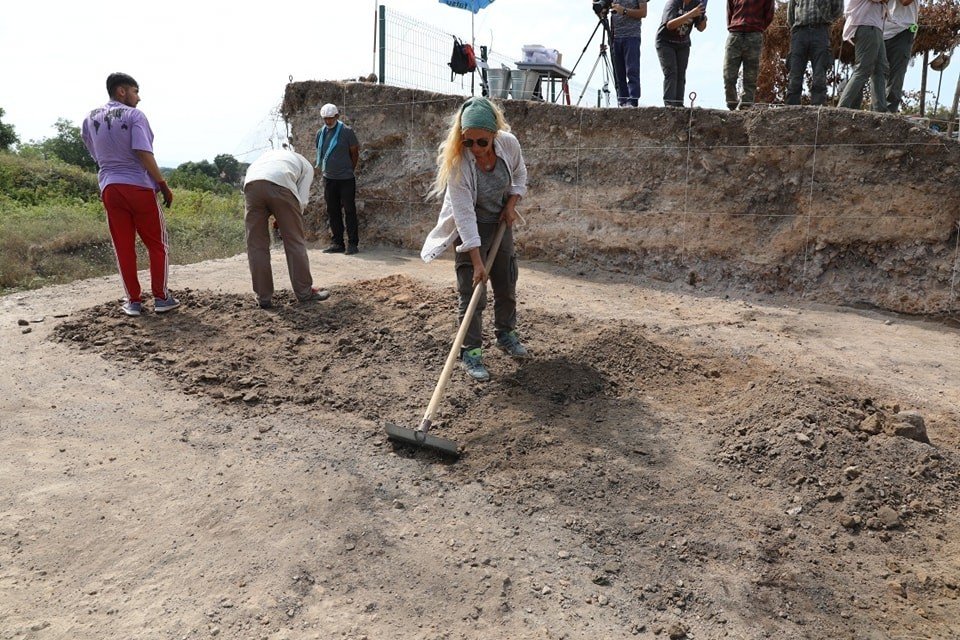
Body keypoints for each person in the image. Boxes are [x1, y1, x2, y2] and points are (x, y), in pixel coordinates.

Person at [420, 97, 529, 382]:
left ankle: (505, 334)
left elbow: (519, 173)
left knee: (506, 283)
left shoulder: (509, 144)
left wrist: (511, 203)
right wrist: (478, 262)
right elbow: (465, 217)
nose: (476, 149)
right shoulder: (459, 162)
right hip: (470, 227)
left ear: (494, 134)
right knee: (472, 293)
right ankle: (471, 352)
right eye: (469, 142)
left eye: (482, 142)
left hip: (500, 223)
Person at [81, 72, 179, 317]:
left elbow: (93, 151)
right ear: (122, 91)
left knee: (123, 246)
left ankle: (133, 302)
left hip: (110, 188)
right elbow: (143, 152)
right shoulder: (135, 115)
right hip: (139, 187)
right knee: (157, 245)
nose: (139, 98)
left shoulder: (89, 117)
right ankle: (161, 297)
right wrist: (163, 184)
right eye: (135, 91)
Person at [242, 146, 330, 309]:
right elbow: (302, 201)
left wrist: (277, 215)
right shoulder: (306, 166)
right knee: (294, 241)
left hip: (251, 186)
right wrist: (287, 221)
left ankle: (263, 297)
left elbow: (262, 187)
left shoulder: (265, 158)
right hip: (281, 184)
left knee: (256, 245)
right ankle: (305, 293)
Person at [314, 103, 361, 254]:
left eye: (330, 118)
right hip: (329, 178)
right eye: (325, 119)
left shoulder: (347, 132)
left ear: (337, 116)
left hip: (346, 179)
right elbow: (319, 151)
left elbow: (354, 153)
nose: (328, 121)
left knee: (349, 211)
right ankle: (338, 243)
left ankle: (353, 244)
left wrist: (349, 170)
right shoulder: (320, 133)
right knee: (332, 211)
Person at [785, 0, 844, 105]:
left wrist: (826, 19)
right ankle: (790, 108)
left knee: (820, 73)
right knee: (795, 73)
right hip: (799, 31)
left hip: (820, 31)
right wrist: (795, 28)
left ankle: (818, 109)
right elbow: (790, 13)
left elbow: (838, 9)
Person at [836, 0, 888, 112]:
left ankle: (880, 110)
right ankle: (842, 107)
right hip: (866, 26)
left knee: (880, 68)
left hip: (874, 27)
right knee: (863, 69)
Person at [722, 0, 775, 110]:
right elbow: (729, 12)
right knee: (728, 75)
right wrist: (735, 26)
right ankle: (731, 104)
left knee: (750, 76)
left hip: (754, 35)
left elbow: (769, 15)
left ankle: (746, 105)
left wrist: (757, 28)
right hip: (735, 34)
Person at [656, 0, 708, 107]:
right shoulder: (673, 3)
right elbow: (669, 25)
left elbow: (701, 28)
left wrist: (702, 17)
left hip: (683, 43)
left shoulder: (696, 4)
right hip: (665, 42)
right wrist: (690, 14)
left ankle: (679, 105)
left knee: (681, 74)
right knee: (671, 72)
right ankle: (669, 105)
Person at [610, 0, 649, 107]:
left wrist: (624, 11)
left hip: (632, 35)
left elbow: (643, 12)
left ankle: (633, 101)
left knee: (632, 71)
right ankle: (622, 102)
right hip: (615, 36)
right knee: (619, 73)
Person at [883, 0, 918, 113]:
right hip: (894, 29)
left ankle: (885, 112)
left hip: (895, 29)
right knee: (891, 75)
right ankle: (885, 112)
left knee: (892, 76)